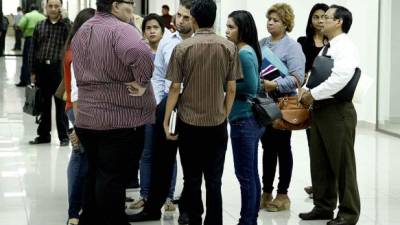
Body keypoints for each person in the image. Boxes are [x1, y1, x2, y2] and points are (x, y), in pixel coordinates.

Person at [71, 0, 156, 224]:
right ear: (116, 5)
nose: (133, 9)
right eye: (129, 3)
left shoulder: (83, 29)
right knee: (112, 177)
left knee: (96, 172)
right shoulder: (121, 29)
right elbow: (142, 53)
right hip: (118, 118)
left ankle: (90, 218)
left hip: (88, 117)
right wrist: (143, 80)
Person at [162, 0, 242, 224]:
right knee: (214, 180)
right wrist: (223, 114)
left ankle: (194, 218)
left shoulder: (182, 48)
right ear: (214, 18)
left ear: (194, 20)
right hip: (216, 123)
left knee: (192, 177)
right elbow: (232, 88)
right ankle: (215, 221)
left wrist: (167, 120)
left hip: (189, 122)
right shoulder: (229, 47)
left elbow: (175, 87)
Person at [128, 1, 193, 223]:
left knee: (189, 159)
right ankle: (151, 201)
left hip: (192, 107)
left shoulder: (201, 42)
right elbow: (158, 76)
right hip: (165, 104)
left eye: (186, 17)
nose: (181, 20)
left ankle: (181, 203)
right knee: (159, 155)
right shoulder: (168, 42)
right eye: (179, 16)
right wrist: (158, 105)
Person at [299, 5, 361, 225]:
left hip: (338, 111)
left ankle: (348, 213)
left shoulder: (345, 46)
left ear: (339, 22)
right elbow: (318, 74)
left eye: (327, 17)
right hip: (321, 110)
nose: (321, 21)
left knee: (342, 164)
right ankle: (323, 206)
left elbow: (340, 78)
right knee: (320, 160)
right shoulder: (328, 46)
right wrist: (305, 89)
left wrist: (312, 94)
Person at [128, 13, 177, 215]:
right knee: (146, 153)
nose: (152, 31)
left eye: (155, 27)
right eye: (148, 28)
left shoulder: (170, 50)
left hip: (167, 108)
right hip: (146, 109)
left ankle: (168, 196)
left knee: (168, 155)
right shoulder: (139, 53)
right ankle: (146, 194)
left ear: (162, 30)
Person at [258, 3, 305, 212]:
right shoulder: (261, 43)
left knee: (283, 149)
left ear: (285, 24)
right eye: (269, 19)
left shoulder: (293, 47)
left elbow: (297, 78)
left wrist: (275, 84)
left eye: (275, 20)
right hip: (263, 104)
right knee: (267, 148)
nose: (270, 22)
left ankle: (283, 194)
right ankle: (266, 191)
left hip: (283, 103)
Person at [225, 10, 265, 225]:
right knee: (250, 173)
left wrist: (223, 83)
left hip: (244, 119)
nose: (227, 30)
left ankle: (247, 220)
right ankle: (250, 219)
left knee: (246, 175)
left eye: (231, 27)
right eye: (227, 26)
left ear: (243, 29)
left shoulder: (244, 53)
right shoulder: (241, 50)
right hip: (245, 119)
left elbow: (250, 86)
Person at [62, 8, 96, 225]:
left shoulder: (77, 48)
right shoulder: (77, 52)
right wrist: (79, 125)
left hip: (81, 109)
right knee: (80, 155)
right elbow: (75, 92)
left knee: (84, 156)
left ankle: (81, 207)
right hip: (80, 109)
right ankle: (74, 212)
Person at [297, 3, 329, 198]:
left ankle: (325, 186)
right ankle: (318, 185)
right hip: (309, 97)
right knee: (313, 144)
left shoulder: (333, 43)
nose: (320, 20)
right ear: (310, 20)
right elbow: (299, 71)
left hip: (328, 97)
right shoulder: (303, 42)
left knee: (327, 145)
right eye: (316, 17)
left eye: (324, 16)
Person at [28, 0, 70, 146]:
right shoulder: (40, 25)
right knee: (43, 105)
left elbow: (72, 39)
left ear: (61, 7)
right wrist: (32, 71)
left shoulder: (65, 26)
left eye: (56, 6)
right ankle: (44, 135)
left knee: (61, 105)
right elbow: (32, 50)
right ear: (45, 7)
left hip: (59, 71)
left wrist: (65, 19)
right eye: (50, 6)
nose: (53, 9)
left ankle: (64, 137)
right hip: (42, 70)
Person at [15, 4, 46, 87]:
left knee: (27, 60)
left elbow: (19, 25)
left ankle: (25, 81)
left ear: (30, 9)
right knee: (39, 61)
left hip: (29, 39)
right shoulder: (42, 16)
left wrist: (24, 32)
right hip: (41, 41)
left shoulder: (27, 15)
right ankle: (38, 81)